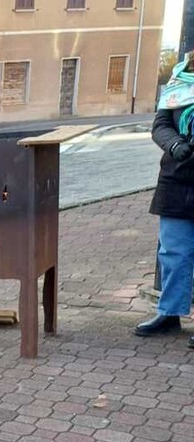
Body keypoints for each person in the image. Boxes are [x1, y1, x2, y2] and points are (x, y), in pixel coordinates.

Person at [136, 51, 194, 347]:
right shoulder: (179, 80)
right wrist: (174, 145)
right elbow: (161, 125)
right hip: (177, 178)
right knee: (173, 252)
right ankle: (170, 313)